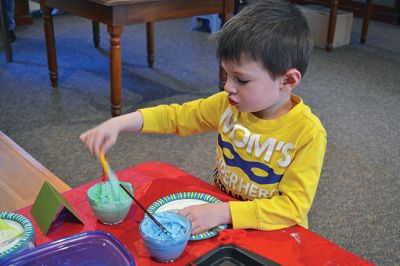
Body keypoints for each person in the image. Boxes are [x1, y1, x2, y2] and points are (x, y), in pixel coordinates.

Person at [80, 0, 326, 235]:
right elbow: (176, 116)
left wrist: (224, 212)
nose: (228, 87)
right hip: (220, 216)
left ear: (288, 80)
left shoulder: (308, 133)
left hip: (272, 230)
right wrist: (120, 123)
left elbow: (292, 209)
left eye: (241, 79)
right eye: (227, 74)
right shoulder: (227, 105)